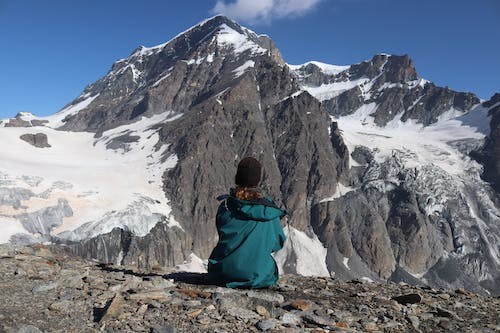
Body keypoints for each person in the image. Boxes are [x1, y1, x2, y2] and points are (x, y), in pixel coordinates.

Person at [207, 157, 287, 288]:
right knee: (269, 268)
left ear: (237, 178)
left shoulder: (226, 206)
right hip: (258, 276)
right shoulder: (269, 211)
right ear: (258, 180)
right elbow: (277, 243)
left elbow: (222, 234)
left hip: (223, 272)